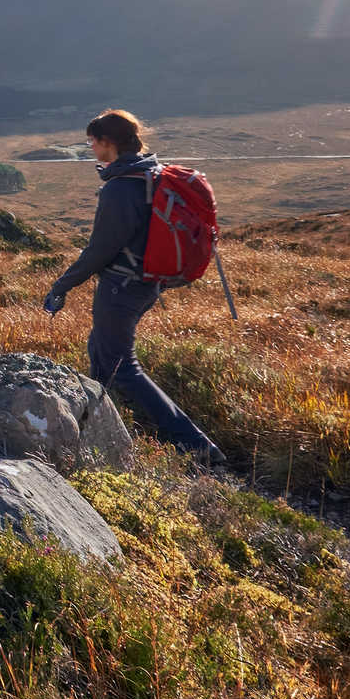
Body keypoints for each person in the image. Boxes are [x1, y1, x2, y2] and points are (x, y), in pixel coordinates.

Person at [42, 109, 228, 467]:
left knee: (121, 366)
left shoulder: (121, 187)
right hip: (145, 284)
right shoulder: (150, 174)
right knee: (101, 353)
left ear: (107, 143)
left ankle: (197, 446)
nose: (90, 148)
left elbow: (100, 249)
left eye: (92, 142)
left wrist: (62, 285)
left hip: (122, 287)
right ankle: (97, 430)